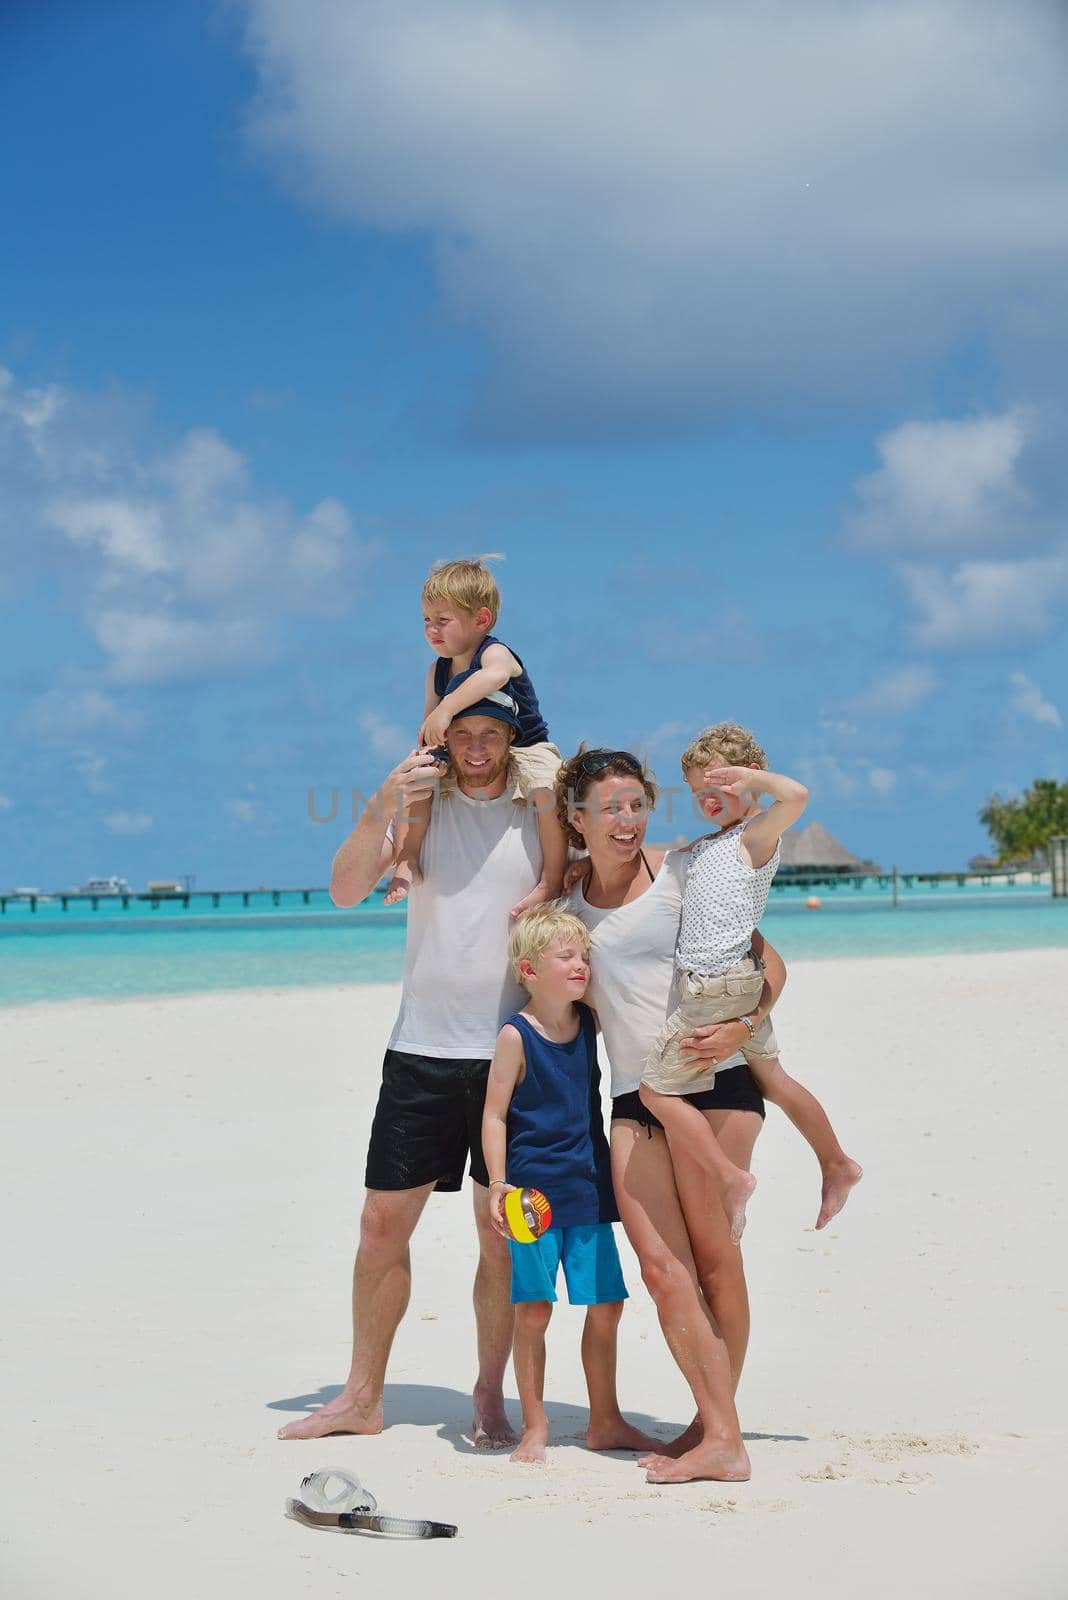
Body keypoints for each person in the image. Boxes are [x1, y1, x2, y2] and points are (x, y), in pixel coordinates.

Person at [279, 687, 541, 1448]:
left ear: (513, 739)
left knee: (500, 1237)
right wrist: (380, 805)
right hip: (420, 1050)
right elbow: (343, 889)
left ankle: (489, 1396)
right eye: (465, 732)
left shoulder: (539, 813)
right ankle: (362, 1396)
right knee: (380, 1224)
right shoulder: (420, 811)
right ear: (444, 739)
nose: (479, 747)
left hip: (510, 1057)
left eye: (493, 732)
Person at [561, 746, 786, 1485]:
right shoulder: (566, 911)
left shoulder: (684, 872)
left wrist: (745, 1020)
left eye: (637, 804)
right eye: (611, 808)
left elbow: (767, 960)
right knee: (663, 1269)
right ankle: (718, 1425)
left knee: (717, 1263)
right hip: (634, 1092)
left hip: (715, 1083)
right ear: (578, 819)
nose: (627, 821)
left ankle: (718, 1431)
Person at [639, 723, 863, 1242]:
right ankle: (836, 1163)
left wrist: (750, 779)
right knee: (774, 1079)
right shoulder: (712, 844)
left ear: (749, 783)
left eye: (719, 788)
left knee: (653, 1092)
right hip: (737, 981)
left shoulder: (756, 835)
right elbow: (665, 862)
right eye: (697, 793)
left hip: (714, 985)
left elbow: (799, 795)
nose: (707, 800)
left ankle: (729, 1178)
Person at [482, 904, 659, 1465]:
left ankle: (603, 1420)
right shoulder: (516, 1035)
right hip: (531, 1199)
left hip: (589, 1186)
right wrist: (496, 1185)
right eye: (566, 956)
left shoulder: (589, 1024)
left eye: (583, 955)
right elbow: (494, 1115)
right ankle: (535, 1425)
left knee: (606, 1303)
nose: (580, 964)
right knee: (534, 1309)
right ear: (529, 971)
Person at [385, 555, 566, 919]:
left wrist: (448, 708)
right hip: (467, 746)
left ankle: (551, 879)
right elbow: (430, 722)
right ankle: (407, 859)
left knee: (549, 789)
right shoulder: (436, 670)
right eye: (426, 620)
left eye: (442, 620)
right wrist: (426, 754)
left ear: (481, 620)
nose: (431, 629)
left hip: (527, 744)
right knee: (420, 777)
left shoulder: (494, 652)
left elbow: (494, 677)